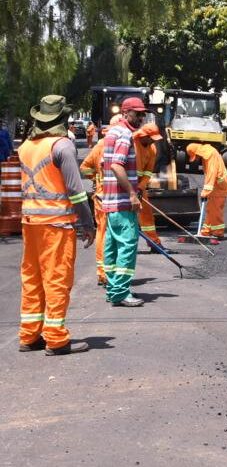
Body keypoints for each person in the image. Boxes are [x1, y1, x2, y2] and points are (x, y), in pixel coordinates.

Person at [18, 95, 95, 355]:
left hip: (30, 223)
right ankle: (56, 339)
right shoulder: (62, 146)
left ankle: (29, 335)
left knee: (33, 279)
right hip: (57, 225)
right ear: (63, 118)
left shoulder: (27, 145)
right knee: (56, 280)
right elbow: (75, 190)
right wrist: (88, 222)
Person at [101, 98, 147, 307]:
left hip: (110, 201)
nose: (141, 117)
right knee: (127, 246)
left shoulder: (111, 132)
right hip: (121, 202)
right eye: (138, 114)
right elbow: (117, 167)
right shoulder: (125, 134)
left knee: (112, 247)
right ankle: (120, 292)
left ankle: (113, 290)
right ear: (126, 112)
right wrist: (132, 194)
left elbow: (105, 164)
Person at [185, 143, 227, 238]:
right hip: (216, 185)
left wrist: (206, 191)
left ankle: (218, 232)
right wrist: (207, 190)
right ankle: (207, 230)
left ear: (197, 153)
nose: (196, 160)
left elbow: (211, 173)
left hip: (219, 186)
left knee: (215, 209)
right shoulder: (206, 153)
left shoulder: (209, 155)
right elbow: (209, 175)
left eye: (195, 157)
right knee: (210, 209)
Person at [134, 123, 168, 251]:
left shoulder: (152, 148)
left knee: (147, 213)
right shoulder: (131, 143)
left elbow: (149, 171)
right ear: (143, 135)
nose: (152, 141)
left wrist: (141, 185)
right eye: (150, 138)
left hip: (139, 186)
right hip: (124, 185)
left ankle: (154, 243)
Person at [80, 138, 108, 287]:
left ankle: (103, 272)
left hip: (102, 197)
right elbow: (84, 168)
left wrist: (95, 177)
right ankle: (104, 273)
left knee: (102, 233)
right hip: (105, 197)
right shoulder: (106, 145)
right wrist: (96, 177)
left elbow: (85, 167)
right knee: (105, 234)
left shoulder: (100, 145)